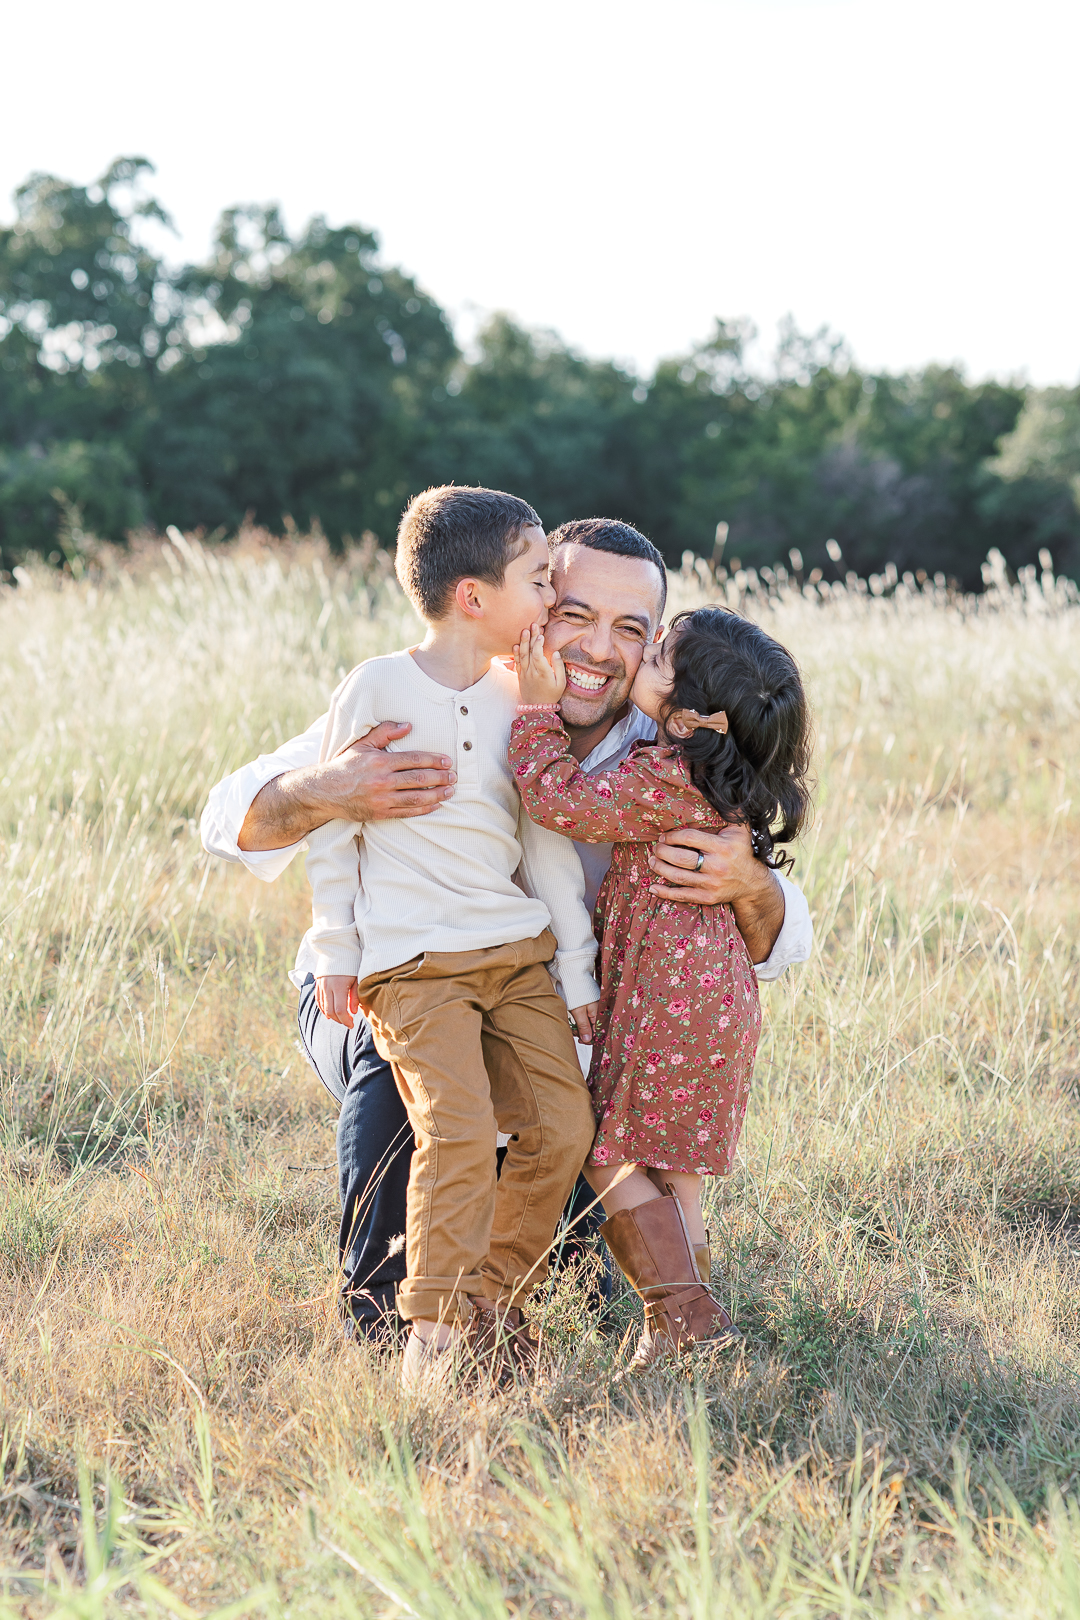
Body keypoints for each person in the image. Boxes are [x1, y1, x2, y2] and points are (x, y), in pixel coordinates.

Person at [200, 517, 814, 1342]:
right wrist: (331, 788)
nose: (599, 649)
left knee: (575, 1249)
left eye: (632, 631)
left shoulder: (668, 751)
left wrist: (753, 885)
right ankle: (396, 1321)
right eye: (574, 613)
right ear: (528, 606)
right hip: (389, 984)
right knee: (408, 1087)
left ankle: (557, 1305)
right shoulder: (432, 692)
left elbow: (783, 944)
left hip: (535, 1000)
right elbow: (225, 818)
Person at [292, 484, 601, 1387]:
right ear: (475, 596)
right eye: (540, 580)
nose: (553, 600)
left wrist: (577, 975)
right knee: (460, 1131)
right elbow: (332, 821)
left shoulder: (522, 697)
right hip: (413, 966)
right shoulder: (378, 687)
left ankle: (487, 1304)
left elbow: (544, 846)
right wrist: (335, 951)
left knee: (561, 1126)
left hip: (517, 957)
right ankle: (428, 1339)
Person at [510, 605, 813, 1368]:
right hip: (718, 999)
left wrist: (533, 715)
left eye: (655, 660)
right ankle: (683, 1330)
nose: (637, 661)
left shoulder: (660, 775)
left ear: (689, 720)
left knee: (605, 1145)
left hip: (664, 999)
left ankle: (684, 1318)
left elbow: (560, 801)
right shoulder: (723, 783)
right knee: (676, 1168)